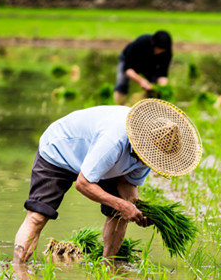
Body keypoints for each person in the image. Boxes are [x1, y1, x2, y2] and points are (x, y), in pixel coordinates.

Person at [12, 99, 202, 278]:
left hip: (102, 164)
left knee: (120, 214)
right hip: (60, 150)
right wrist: (121, 205)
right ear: (142, 144)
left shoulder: (152, 152)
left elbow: (127, 184)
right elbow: (83, 183)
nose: (150, 162)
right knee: (38, 216)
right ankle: (17, 270)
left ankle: (108, 268)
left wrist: (136, 209)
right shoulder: (114, 139)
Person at [114, 31, 173, 105]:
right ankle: (120, 108)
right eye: (158, 49)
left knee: (153, 90)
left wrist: (161, 87)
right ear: (153, 44)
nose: (160, 52)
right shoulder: (141, 43)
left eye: (162, 50)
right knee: (121, 85)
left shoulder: (167, 51)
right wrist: (141, 81)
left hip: (150, 64)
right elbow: (128, 69)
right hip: (129, 61)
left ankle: (143, 108)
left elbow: (162, 74)